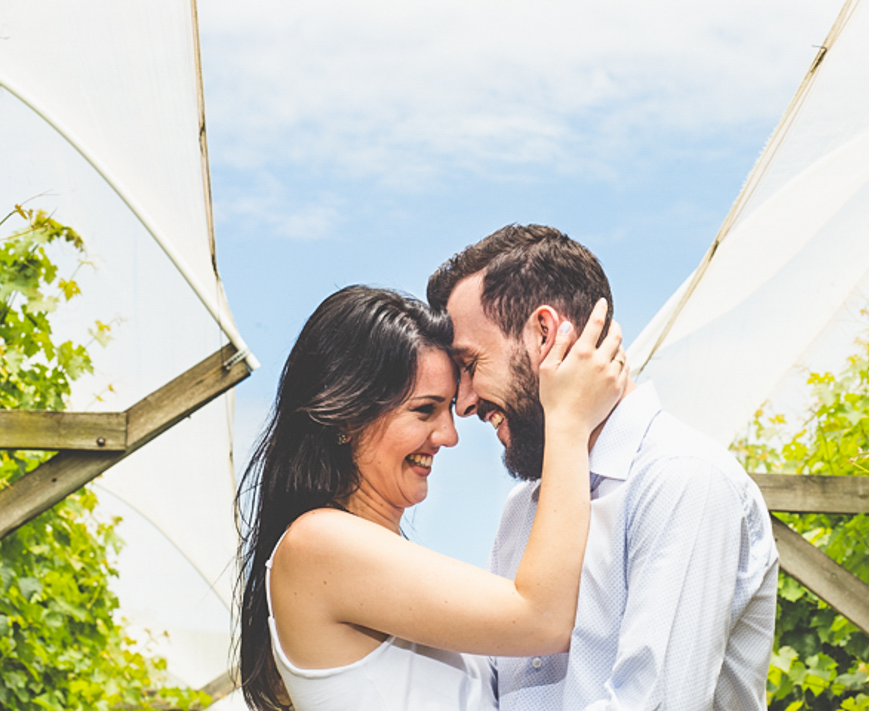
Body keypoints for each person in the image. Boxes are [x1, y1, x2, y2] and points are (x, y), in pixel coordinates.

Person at [427, 224, 780, 711]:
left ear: (545, 334)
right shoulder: (522, 509)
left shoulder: (681, 479)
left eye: (470, 364)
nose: (463, 404)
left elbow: (657, 703)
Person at [235, 285, 627, 711]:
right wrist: (568, 419)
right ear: (348, 415)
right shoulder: (317, 543)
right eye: (424, 410)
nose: (449, 435)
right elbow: (543, 619)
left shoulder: (366, 559)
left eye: (448, 411)